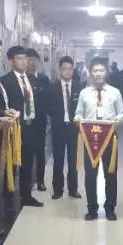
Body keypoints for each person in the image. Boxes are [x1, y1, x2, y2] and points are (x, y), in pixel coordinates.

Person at [75, 57, 123, 221]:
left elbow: (122, 113)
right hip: (90, 140)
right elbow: (78, 112)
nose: (98, 73)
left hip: (110, 138)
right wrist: (77, 118)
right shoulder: (84, 93)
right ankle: (92, 209)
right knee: (90, 176)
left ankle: (110, 208)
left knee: (110, 174)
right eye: (95, 70)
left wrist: (118, 120)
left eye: (101, 70)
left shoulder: (115, 92)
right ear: (90, 73)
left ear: (106, 73)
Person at [0, 46, 45, 207]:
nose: (24, 62)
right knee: (12, 160)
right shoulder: (5, 81)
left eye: (25, 58)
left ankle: (26, 195)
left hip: (30, 126)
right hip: (14, 127)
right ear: (11, 61)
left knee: (28, 160)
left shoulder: (32, 80)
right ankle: (8, 193)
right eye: (19, 59)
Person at [48, 56, 83, 199]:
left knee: (73, 160)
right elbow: (48, 107)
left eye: (70, 69)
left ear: (73, 70)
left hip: (74, 129)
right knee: (58, 159)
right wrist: (57, 117)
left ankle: (73, 189)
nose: (67, 71)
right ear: (60, 70)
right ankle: (58, 189)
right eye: (64, 69)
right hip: (58, 128)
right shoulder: (52, 87)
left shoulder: (79, 87)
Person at [26, 48, 50, 192]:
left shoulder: (43, 79)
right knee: (27, 153)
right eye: (29, 60)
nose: (32, 63)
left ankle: (40, 181)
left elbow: (48, 99)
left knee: (40, 152)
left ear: (38, 61)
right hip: (25, 123)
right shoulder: (22, 79)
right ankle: (27, 181)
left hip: (40, 122)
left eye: (34, 60)